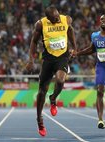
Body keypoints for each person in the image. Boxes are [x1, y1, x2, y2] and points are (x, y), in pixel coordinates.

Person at [26, 6, 77, 136]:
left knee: (60, 80)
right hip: (48, 59)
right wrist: (31, 60)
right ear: (49, 18)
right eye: (55, 18)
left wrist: (75, 48)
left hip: (62, 57)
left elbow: (70, 32)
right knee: (41, 91)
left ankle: (53, 99)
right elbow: (34, 41)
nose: (58, 18)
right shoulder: (41, 24)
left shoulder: (66, 19)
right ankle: (39, 121)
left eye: (58, 15)